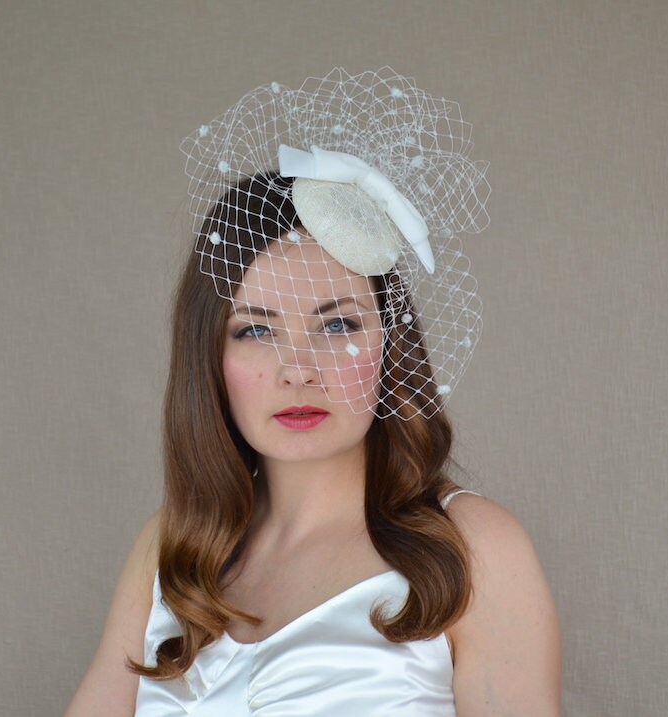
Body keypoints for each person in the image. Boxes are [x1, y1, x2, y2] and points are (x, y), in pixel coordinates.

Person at [66, 68, 561, 716]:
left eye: (337, 325)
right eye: (255, 330)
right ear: (210, 356)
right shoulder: (172, 548)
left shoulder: (472, 547)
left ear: (389, 343)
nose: (297, 370)